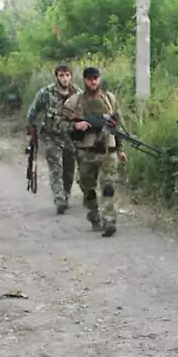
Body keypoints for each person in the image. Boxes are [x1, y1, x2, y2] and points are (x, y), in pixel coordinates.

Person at [60, 67, 126, 236]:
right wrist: (75, 125)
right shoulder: (75, 102)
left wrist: (120, 149)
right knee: (87, 188)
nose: (93, 81)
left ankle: (109, 220)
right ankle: (94, 214)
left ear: (100, 79)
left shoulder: (109, 99)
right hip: (86, 151)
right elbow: (58, 123)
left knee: (108, 186)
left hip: (108, 150)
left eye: (96, 78)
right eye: (90, 79)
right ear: (84, 81)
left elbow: (118, 124)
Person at [26, 63, 81, 214]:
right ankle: (59, 198)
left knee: (69, 168)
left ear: (71, 76)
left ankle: (66, 195)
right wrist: (30, 127)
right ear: (57, 76)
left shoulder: (77, 93)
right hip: (51, 136)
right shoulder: (46, 92)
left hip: (70, 136)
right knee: (56, 168)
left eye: (67, 75)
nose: (64, 79)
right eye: (61, 75)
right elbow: (33, 109)